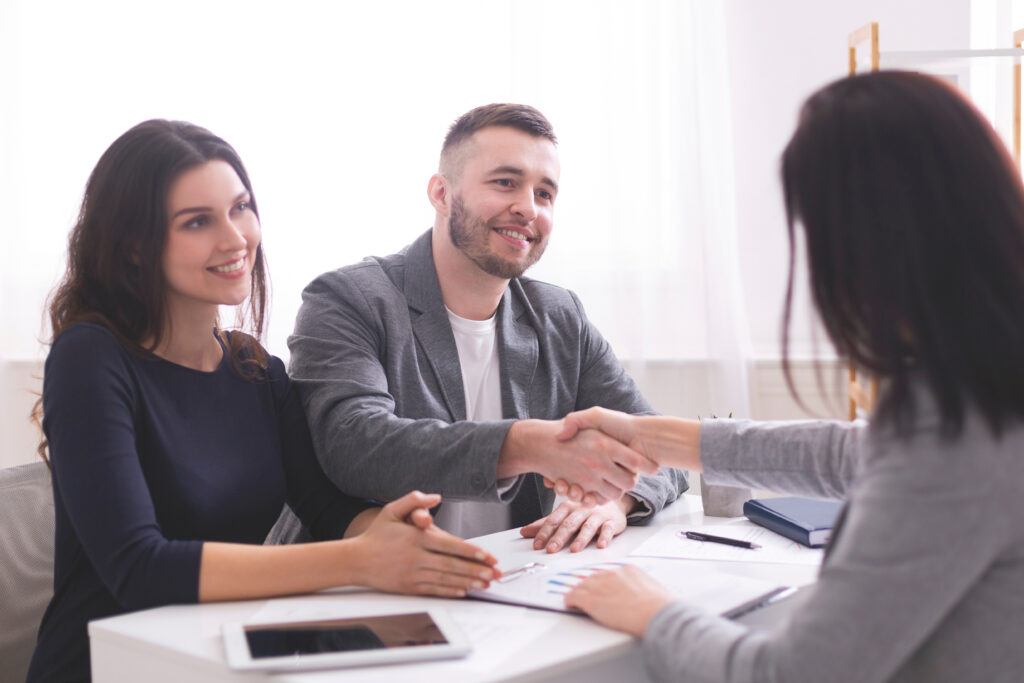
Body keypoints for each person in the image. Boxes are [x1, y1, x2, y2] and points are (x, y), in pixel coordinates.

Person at [563, 71, 1024, 682]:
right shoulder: (985, 374)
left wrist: (652, 611)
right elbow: (857, 454)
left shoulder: (955, 429)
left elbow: (791, 674)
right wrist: (657, 438)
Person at [27, 120, 500, 683]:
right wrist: (359, 560)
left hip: (224, 655)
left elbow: (328, 509)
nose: (234, 238)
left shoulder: (254, 370)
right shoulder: (90, 357)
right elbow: (139, 567)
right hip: (115, 663)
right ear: (133, 247)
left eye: (240, 208)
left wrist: (404, 540)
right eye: (197, 222)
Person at [287, 103, 687, 551]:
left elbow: (660, 445)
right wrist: (525, 444)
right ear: (441, 193)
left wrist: (617, 503)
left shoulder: (559, 315)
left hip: (512, 584)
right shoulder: (349, 298)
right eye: (505, 183)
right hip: (365, 594)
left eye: (545, 194)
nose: (528, 209)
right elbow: (355, 446)